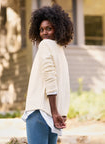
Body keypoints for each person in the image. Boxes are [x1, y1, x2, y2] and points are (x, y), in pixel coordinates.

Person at [22, 4, 73, 144]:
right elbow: (63, 84)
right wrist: (61, 112)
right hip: (54, 115)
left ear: (58, 28)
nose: (44, 33)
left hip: (40, 110)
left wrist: (56, 111)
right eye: (41, 29)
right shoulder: (60, 50)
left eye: (48, 28)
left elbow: (50, 79)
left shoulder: (45, 46)